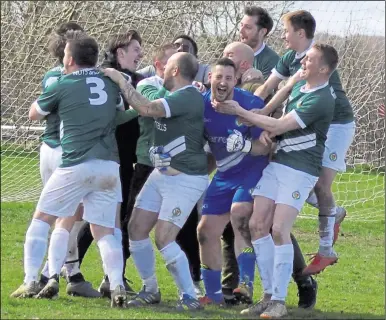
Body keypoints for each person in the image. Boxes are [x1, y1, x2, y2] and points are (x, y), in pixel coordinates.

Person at [214, 42, 339, 318]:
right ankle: (268, 295)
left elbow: (282, 125)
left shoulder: (322, 98)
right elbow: (278, 122)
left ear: (323, 68)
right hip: (278, 164)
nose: (303, 61)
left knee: (280, 229)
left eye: (310, 60)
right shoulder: (301, 87)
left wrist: (242, 114)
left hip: (299, 170)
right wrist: (264, 129)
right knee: (257, 224)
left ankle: (280, 302)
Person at [11, 31, 128, 308]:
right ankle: (118, 285)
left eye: (65, 54)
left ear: (71, 58)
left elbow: (34, 113)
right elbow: (120, 107)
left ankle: (31, 280)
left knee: (41, 220)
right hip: (109, 166)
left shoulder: (61, 83)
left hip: (76, 163)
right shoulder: (110, 83)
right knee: (105, 232)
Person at [102, 52, 208, 310]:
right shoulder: (175, 96)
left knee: (164, 237)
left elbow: (146, 109)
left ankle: (190, 296)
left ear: (174, 71)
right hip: (163, 174)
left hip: (186, 178)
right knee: (136, 227)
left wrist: (120, 80)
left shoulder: (187, 96)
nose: (160, 70)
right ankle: (150, 288)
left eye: (167, 65)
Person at [254, 10, 355, 276]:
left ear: (300, 33)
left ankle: (326, 250)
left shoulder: (318, 63)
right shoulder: (290, 59)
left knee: (321, 183)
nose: (283, 36)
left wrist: (267, 122)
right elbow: (267, 88)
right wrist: (250, 105)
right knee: (291, 173)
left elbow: (306, 103)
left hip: (335, 125)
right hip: (307, 122)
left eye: (286, 31)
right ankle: (333, 212)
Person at [32, 22, 101, 298]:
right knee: (73, 214)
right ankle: (52, 272)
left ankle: (70, 272)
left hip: (47, 149)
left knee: (63, 214)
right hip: (67, 151)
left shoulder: (50, 76)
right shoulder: (78, 79)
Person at [75, 30, 144, 298]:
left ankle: (104, 276)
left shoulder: (136, 80)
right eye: (136, 48)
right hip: (108, 159)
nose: (140, 53)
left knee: (108, 219)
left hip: (124, 160)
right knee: (107, 219)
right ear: (120, 52)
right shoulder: (106, 79)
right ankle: (104, 276)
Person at [197, 57, 270, 306]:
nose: (223, 82)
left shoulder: (250, 103)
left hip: (252, 171)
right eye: (218, 77)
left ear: (235, 81)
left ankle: (246, 284)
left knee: (240, 215)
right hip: (224, 174)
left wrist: (246, 144)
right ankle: (213, 296)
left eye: (228, 78)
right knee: (205, 231)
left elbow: (265, 148)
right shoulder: (201, 103)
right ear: (210, 78)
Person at [138, 34, 210, 85]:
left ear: (195, 57)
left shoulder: (203, 70)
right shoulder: (155, 69)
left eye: (185, 48)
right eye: (176, 45)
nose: (180, 49)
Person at [239, 6, 280, 81]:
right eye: (241, 25)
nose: (241, 31)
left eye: (248, 27)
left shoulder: (272, 60)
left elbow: (263, 90)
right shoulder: (234, 52)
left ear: (262, 32)